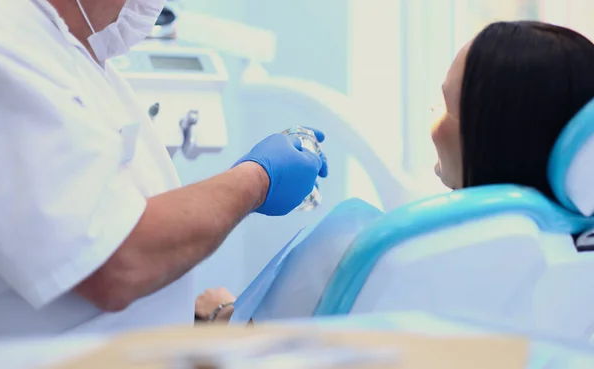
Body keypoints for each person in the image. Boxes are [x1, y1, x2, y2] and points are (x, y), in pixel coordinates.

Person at [196, 20, 594, 322]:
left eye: (444, 103)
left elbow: (255, 352)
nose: (431, 113)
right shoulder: (573, 259)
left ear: (489, 134)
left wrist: (220, 316)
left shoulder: (368, 249)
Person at [0, 0, 327, 337]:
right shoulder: (9, 46)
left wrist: (211, 313)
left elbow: (118, 221)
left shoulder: (81, 59)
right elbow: (117, 263)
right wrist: (257, 179)